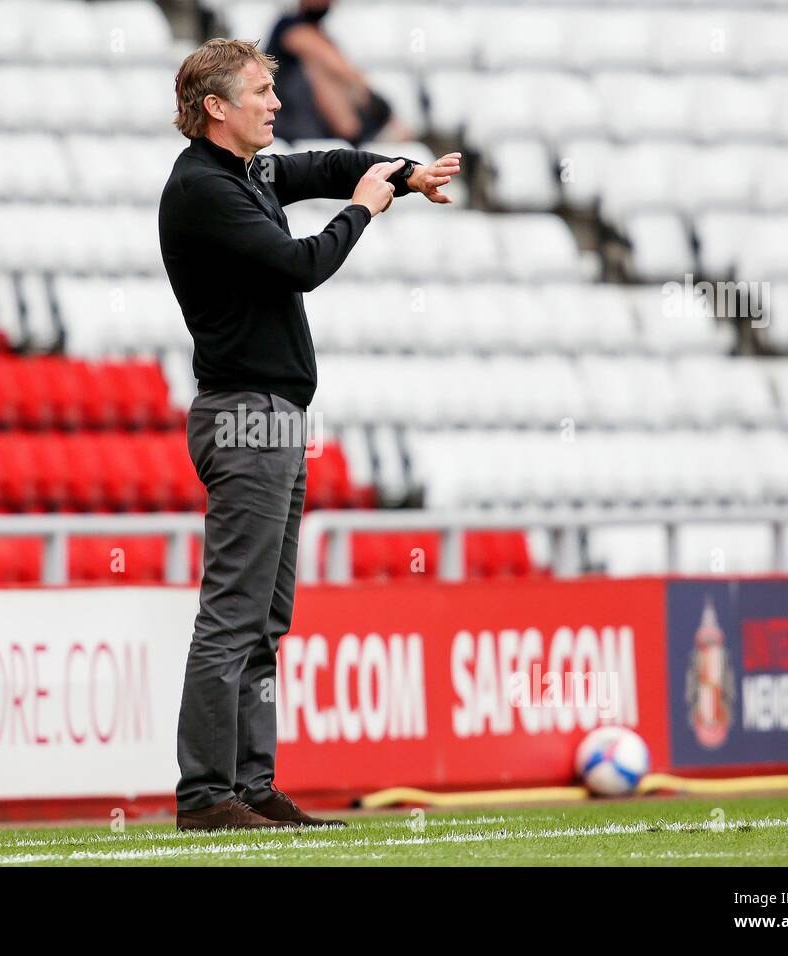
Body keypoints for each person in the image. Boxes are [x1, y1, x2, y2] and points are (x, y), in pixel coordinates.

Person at [158, 38, 461, 832]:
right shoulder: (200, 190)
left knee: (265, 621)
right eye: (262, 91)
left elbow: (321, 166)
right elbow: (300, 265)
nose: (277, 101)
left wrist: (399, 171)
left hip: (276, 416)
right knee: (233, 615)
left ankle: (251, 786)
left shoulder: (245, 172)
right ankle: (204, 797)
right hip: (246, 417)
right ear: (216, 107)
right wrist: (367, 208)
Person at [262, 0, 413, 146]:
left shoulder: (323, 34)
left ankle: (364, 132)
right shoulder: (288, 25)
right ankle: (358, 134)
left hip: (319, 124)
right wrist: (372, 99)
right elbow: (333, 63)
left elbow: (344, 70)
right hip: (289, 118)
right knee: (318, 70)